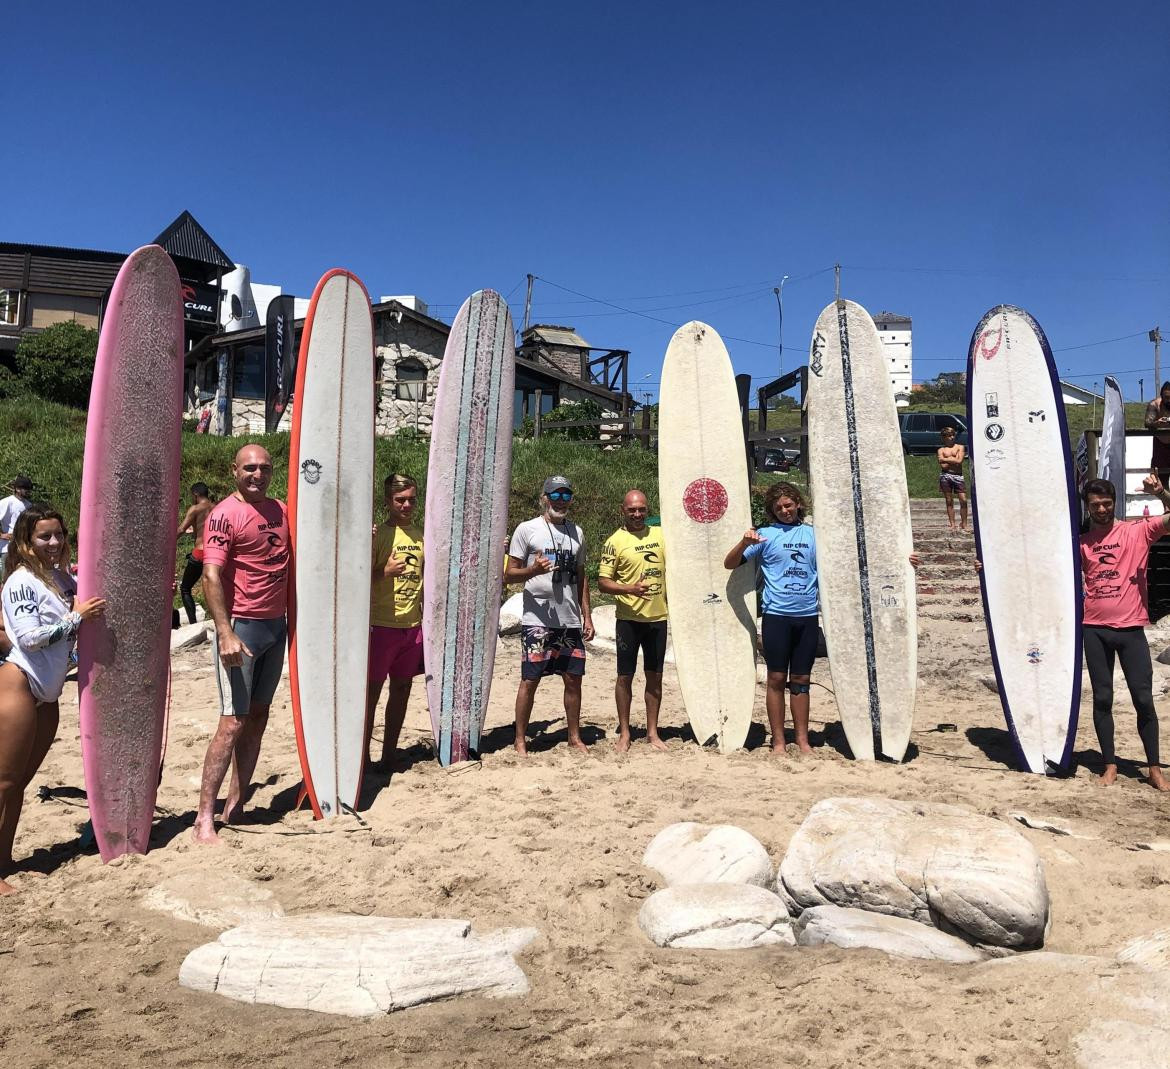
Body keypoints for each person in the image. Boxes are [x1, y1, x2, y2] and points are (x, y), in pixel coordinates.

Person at [0, 506, 104, 893]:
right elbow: (28, 638)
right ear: (26, 542)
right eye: (45, 536)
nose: (54, 542)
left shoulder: (62, 578)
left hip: (48, 695)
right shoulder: (22, 582)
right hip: (19, 685)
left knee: (19, 783)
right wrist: (77, 619)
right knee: (4, 782)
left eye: (59, 534)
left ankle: (6, 860)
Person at [192, 445, 290, 843]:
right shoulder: (223, 515)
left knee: (260, 716)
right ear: (235, 471)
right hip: (242, 630)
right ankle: (203, 817)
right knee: (232, 722)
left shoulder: (281, 509)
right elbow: (210, 577)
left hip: (276, 628)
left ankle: (237, 804)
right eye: (250, 468)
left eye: (265, 468)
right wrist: (224, 632)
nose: (257, 475)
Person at [1080, 474, 1170, 791]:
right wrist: (987, 566)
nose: (1102, 509)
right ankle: (1110, 765)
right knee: (1102, 698)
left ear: (1114, 502)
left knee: (1144, 699)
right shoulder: (1081, 542)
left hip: (1131, 630)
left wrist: (1162, 493)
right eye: (1095, 505)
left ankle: (1154, 768)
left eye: (1106, 503)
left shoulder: (1137, 531)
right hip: (1094, 629)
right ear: (1087, 506)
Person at [724, 483, 819, 755]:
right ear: (771, 511)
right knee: (776, 679)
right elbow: (729, 563)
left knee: (801, 679)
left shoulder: (814, 535)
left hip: (808, 616)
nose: (784, 511)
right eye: (778, 508)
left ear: (798, 504)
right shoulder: (764, 536)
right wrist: (744, 542)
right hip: (777, 616)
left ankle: (802, 740)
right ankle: (778, 741)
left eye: (788, 505)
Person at [506, 475, 594, 754]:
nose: (561, 501)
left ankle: (574, 737)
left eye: (566, 496)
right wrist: (532, 571)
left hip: (568, 620)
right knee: (530, 680)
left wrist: (587, 616)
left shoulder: (577, 532)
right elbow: (507, 575)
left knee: (573, 679)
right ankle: (520, 739)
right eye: (555, 496)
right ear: (544, 498)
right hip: (538, 621)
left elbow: (581, 577)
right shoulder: (527, 529)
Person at [597, 490, 668, 752]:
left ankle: (652, 732)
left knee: (655, 677)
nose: (637, 514)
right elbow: (603, 583)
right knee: (624, 677)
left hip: (657, 618)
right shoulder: (615, 541)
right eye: (632, 510)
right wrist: (629, 589)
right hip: (628, 621)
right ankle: (625, 732)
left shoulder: (660, 534)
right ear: (623, 510)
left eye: (641, 509)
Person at [365, 474, 424, 772]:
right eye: (400, 499)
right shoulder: (378, 535)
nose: (407, 504)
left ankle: (389, 754)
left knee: (401, 691)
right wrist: (383, 572)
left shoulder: (421, 535)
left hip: (412, 628)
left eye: (412, 499)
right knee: (371, 695)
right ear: (388, 501)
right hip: (380, 626)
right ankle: (361, 757)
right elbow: (359, 579)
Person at [176, 482, 216, 625]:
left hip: (199, 553)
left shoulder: (195, 508)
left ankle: (193, 624)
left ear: (196, 494)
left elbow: (181, 529)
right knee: (213, 587)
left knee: (185, 588)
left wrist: (168, 543)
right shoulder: (216, 507)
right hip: (214, 553)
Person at [937, 425, 968, 532]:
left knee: (963, 500)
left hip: (958, 476)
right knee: (949, 500)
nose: (952, 437)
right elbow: (943, 466)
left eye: (953, 435)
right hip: (946, 475)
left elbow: (959, 461)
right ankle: (952, 523)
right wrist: (953, 459)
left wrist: (946, 459)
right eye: (949, 436)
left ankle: (964, 523)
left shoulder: (960, 447)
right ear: (944, 437)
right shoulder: (941, 450)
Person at [0, 476, 33, 564]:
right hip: (8, 547)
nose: (28, 491)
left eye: (29, 489)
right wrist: (1, 535)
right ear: (17, 489)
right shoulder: (6, 502)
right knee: (7, 576)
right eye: (26, 489)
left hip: (24, 546)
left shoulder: (28, 505)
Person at [1144, 381, 1170, 486]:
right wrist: (1157, 423)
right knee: (1160, 480)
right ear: (1162, 396)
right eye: (1166, 397)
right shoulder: (1154, 404)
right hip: (1161, 444)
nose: (1169, 400)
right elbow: (1147, 423)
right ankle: (1167, 503)